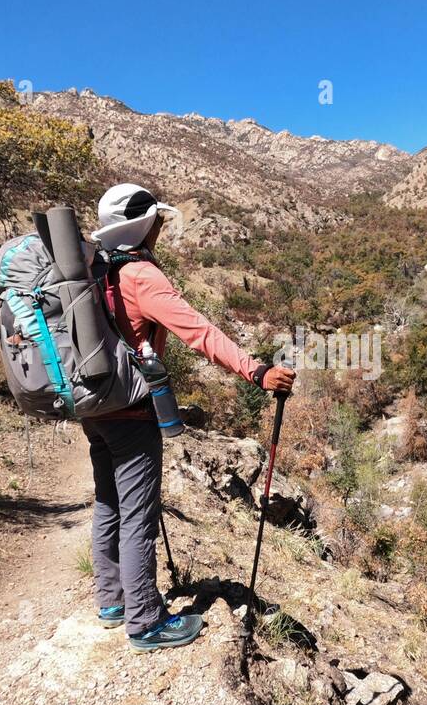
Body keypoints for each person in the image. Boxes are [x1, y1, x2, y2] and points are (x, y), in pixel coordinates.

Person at [85, 183, 295, 653]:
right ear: (144, 226)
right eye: (157, 221)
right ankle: (144, 622)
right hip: (132, 410)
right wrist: (256, 371)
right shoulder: (140, 275)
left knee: (107, 502)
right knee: (139, 511)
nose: (161, 228)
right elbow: (198, 331)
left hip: (94, 406)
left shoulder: (95, 270)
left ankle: (112, 601)